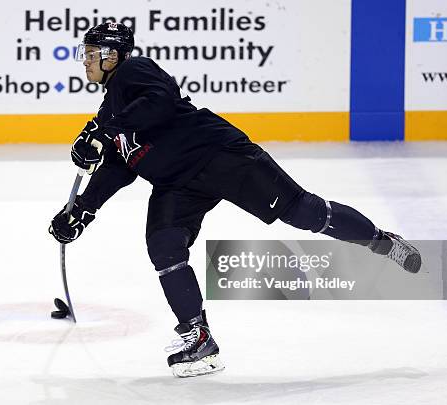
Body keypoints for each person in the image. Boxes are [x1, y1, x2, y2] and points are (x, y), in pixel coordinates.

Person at [49, 22, 422, 378]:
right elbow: (119, 166)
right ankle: (199, 339)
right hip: (177, 185)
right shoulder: (109, 110)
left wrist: (101, 130)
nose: (85, 60)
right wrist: (82, 210)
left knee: (303, 211)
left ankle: (380, 241)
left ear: (114, 56)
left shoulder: (136, 71)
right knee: (164, 246)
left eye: (92, 52)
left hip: (222, 157)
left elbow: (159, 102)